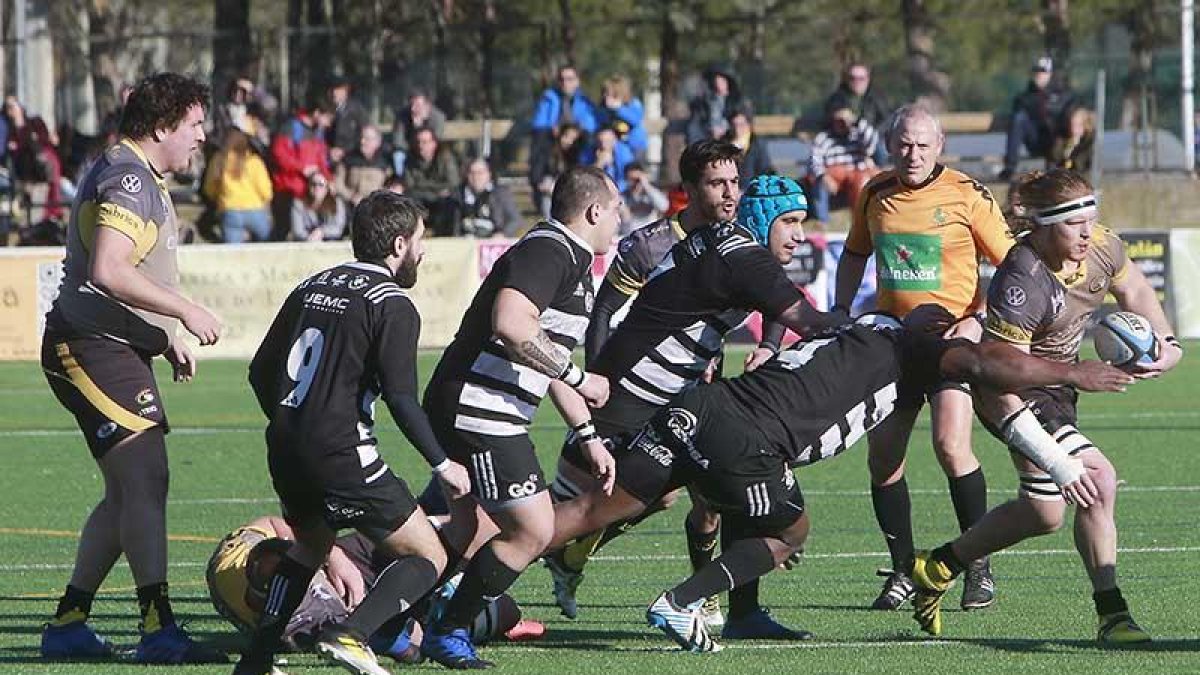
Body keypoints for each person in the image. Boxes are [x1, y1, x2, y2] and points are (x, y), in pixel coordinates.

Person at [549, 305, 1133, 653]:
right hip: (752, 438)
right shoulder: (916, 350)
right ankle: (681, 602)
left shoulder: (860, 328)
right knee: (789, 533)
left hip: (703, 405)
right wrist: (1073, 371)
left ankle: (470, 588)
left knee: (584, 512)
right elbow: (986, 367)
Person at [547, 156, 846, 638]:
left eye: (734, 182)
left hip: (684, 392)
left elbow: (774, 298)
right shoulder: (660, 243)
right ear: (691, 187)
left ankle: (729, 608)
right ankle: (470, 583)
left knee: (717, 497)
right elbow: (607, 311)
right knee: (563, 508)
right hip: (632, 388)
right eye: (716, 183)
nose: (728, 192)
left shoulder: (736, 243)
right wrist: (598, 382)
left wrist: (768, 347)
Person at [908, 169, 1183, 645]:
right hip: (1012, 392)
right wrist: (1054, 458)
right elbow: (995, 377)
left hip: (1057, 390)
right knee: (1095, 480)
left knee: (1044, 514)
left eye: (1090, 221)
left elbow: (1136, 289)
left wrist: (1167, 343)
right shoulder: (1022, 278)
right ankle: (1113, 616)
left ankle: (937, 566)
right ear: (1041, 225)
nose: (1086, 233)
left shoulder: (1101, 244)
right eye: (1073, 225)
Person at [235, 191, 472, 675]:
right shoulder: (392, 303)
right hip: (339, 451)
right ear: (400, 243)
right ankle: (352, 634)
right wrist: (442, 464)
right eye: (421, 241)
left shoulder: (310, 285)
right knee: (427, 554)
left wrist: (292, 422)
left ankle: (257, 658)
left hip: (283, 447)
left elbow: (261, 371)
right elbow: (402, 398)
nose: (423, 253)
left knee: (311, 545)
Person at [38, 72, 226, 664]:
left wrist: (160, 338)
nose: (202, 137)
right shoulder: (127, 177)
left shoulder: (135, 172)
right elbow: (110, 269)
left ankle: (69, 625)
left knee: (129, 490)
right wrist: (184, 313)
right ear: (163, 125)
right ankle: (158, 629)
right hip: (91, 346)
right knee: (146, 479)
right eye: (195, 125)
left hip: (109, 343)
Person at [418, 166, 619, 668]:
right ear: (594, 211)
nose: (620, 220)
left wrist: (588, 435)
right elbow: (511, 324)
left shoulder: (568, 258)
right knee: (532, 528)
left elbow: (541, 354)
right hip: (479, 408)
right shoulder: (551, 250)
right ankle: (447, 630)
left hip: (477, 405)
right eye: (617, 210)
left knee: (474, 532)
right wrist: (581, 379)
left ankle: (384, 614)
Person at [835, 104, 1014, 612]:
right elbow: (854, 253)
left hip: (950, 342)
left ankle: (976, 566)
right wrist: (842, 308)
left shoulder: (967, 194)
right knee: (883, 459)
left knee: (950, 446)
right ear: (889, 146)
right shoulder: (874, 191)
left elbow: (1012, 265)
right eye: (903, 145)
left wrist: (979, 318)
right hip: (893, 342)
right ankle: (901, 570)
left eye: (922, 145)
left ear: (939, 147)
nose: (911, 155)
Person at [1000, 57, 1077, 181]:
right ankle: (1010, 167)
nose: (1039, 75)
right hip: (1035, 141)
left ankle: (1066, 163)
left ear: (1050, 74)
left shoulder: (1064, 96)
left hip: (1057, 141)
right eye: (1036, 71)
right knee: (1018, 118)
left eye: (1043, 71)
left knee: (1068, 120)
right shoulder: (1024, 98)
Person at [808, 107, 879, 224]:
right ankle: (822, 222)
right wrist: (823, 176)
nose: (841, 124)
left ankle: (862, 220)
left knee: (865, 179)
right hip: (833, 175)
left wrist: (856, 121)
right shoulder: (823, 138)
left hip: (856, 175)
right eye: (838, 120)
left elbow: (872, 140)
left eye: (844, 121)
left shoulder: (858, 136)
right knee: (819, 183)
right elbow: (813, 161)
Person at [270, 107, 331, 240]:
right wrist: (301, 168)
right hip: (289, 189)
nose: (328, 123)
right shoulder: (290, 128)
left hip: (309, 190)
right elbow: (279, 155)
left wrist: (328, 179)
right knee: (283, 229)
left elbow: (322, 160)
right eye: (326, 117)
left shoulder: (318, 131)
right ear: (316, 113)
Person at [203, 128, 273, 243]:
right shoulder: (254, 161)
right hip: (255, 209)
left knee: (233, 254)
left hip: (230, 209)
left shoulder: (219, 160)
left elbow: (210, 187)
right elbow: (265, 189)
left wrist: (217, 199)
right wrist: (266, 201)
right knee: (267, 246)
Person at [5, 95, 65, 222]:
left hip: (44, 162)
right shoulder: (9, 130)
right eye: (8, 108)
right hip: (26, 171)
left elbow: (45, 139)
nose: (12, 110)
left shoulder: (34, 122)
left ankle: (53, 215)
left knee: (50, 171)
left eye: (13, 106)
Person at [824, 62, 890, 166]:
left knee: (881, 151)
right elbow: (831, 118)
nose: (857, 82)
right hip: (845, 139)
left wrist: (872, 136)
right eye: (853, 78)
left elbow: (887, 120)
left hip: (872, 137)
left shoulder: (877, 96)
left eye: (861, 78)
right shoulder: (837, 97)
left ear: (868, 79)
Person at [404, 127, 460, 236]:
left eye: (425, 142)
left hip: (441, 199)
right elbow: (409, 185)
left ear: (434, 143)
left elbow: (453, 182)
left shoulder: (445, 157)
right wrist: (436, 188)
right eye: (418, 142)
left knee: (451, 203)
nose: (420, 146)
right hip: (421, 197)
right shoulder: (410, 159)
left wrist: (422, 185)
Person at [454, 157, 522, 238]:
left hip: (493, 243)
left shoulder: (501, 194)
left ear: (488, 174)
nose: (476, 177)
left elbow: (516, 220)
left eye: (480, 173)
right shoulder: (458, 196)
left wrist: (503, 234)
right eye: (472, 173)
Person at [531, 122, 584, 219]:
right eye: (567, 136)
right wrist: (542, 184)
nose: (569, 141)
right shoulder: (547, 152)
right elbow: (536, 175)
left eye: (573, 139)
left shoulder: (576, 156)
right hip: (547, 192)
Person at [334, 125, 393, 207]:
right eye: (361, 137)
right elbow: (338, 183)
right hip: (350, 205)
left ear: (377, 142)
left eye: (367, 139)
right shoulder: (348, 159)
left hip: (376, 206)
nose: (362, 141)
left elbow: (391, 185)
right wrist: (351, 196)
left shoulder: (386, 162)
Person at [686, 65, 745, 144]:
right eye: (715, 81)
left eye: (722, 81)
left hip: (730, 140)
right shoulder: (705, 101)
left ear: (727, 82)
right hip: (708, 140)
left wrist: (725, 131)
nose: (718, 84)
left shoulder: (737, 101)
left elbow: (741, 123)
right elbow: (698, 122)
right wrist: (710, 130)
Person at [597, 74, 648, 158]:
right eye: (604, 92)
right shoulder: (603, 108)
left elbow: (636, 120)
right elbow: (601, 123)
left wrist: (619, 109)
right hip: (613, 146)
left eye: (609, 93)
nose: (606, 96)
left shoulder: (633, 103)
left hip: (635, 146)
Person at [392, 88, 447, 166]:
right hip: (408, 150)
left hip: (430, 151)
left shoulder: (438, 117)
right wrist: (416, 128)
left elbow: (436, 140)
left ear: (427, 105)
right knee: (398, 156)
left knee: (443, 157)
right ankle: (400, 178)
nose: (413, 108)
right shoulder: (402, 116)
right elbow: (398, 141)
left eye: (417, 105)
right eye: (411, 104)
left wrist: (424, 147)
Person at [290, 173, 347, 242]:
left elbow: (338, 228)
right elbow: (298, 232)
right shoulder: (298, 204)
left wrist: (322, 231)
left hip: (331, 241)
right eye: (313, 184)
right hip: (306, 242)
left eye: (321, 184)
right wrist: (311, 238)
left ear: (327, 187)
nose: (317, 187)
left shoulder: (337, 203)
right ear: (308, 186)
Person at [327, 77, 369, 167]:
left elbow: (364, 133)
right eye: (333, 90)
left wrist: (344, 150)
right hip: (332, 157)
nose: (334, 93)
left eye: (338, 90)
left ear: (346, 91)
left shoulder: (357, 110)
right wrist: (330, 150)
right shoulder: (329, 110)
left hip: (352, 157)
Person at [581, 123, 635, 193]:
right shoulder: (587, 153)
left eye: (607, 141)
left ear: (615, 140)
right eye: (600, 142)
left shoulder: (624, 153)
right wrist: (599, 164)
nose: (603, 145)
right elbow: (584, 180)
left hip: (621, 192)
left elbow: (629, 178)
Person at [618, 162, 669, 235]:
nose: (634, 184)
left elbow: (664, 206)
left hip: (650, 237)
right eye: (630, 180)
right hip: (629, 236)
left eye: (637, 180)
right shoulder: (622, 198)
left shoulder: (651, 195)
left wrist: (646, 186)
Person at [726, 109, 773, 185]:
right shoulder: (724, 143)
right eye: (734, 125)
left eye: (741, 125)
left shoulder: (758, 144)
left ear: (748, 125)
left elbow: (765, 169)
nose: (737, 129)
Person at [1049, 107, 1094, 174]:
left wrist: (1073, 148)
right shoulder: (1063, 140)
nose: (1074, 129)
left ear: (1085, 126)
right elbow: (1054, 158)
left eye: (1078, 125)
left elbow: (1081, 165)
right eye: (1072, 125)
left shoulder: (1088, 143)